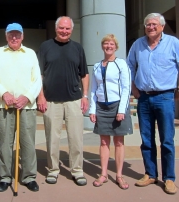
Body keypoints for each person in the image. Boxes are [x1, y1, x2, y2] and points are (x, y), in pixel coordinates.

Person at [127, 13, 178, 195]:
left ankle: (169, 178)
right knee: (147, 140)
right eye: (148, 24)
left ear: (162, 27)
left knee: (166, 140)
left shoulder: (173, 43)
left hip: (165, 97)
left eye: (154, 24)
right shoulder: (138, 45)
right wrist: (133, 87)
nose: (151, 27)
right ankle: (150, 174)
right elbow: (129, 66)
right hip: (144, 98)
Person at [0, 23, 42, 193]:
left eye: (17, 34)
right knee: (4, 143)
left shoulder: (31, 53)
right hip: (3, 105)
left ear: (22, 36)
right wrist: (3, 93)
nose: (14, 38)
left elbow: (37, 79)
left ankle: (29, 176)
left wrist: (27, 97)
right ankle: (5, 177)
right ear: (6, 36)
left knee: (27, 143)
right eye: (11, 34)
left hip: (26, 106)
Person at [37, 16, 89, 186]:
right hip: (51, 101)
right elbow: (39, 74)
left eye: (67, 29)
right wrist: (41, 96)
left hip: (74, 100)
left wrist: (85, 95)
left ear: (71, 30)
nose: (64, 31)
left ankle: (77, 170)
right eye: (61, 28)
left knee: (76, 138)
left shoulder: (77, 48)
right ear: (56, 28)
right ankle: (53, 170)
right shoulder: (45, 47)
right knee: (52, 138)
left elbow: (84, 74)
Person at [89, 34, 132, 190]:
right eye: (106, 43)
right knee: (103, 142)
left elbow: (126, 88)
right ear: (102, 46)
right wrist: (92, 110)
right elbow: (93, 89)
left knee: (119, 142)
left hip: (117, 106)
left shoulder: (121, 64)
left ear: (116, 46)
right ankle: (104, 174)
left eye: (111, 44)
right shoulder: (97, 66)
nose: (108, 46)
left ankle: (119, 175)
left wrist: (122, 110)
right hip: (101, 107)